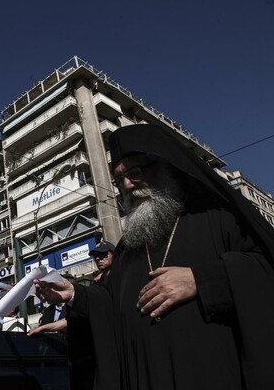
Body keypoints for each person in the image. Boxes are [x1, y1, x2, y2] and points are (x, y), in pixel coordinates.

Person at [34, 124, 274, 390]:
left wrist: (201, 279)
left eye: (135, 172)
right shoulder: (129, 246)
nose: (127, 185)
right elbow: (112, 302)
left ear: (164, 166)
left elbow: (265, 269)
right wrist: (73, 294)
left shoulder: (218, 218)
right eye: (119, 180)